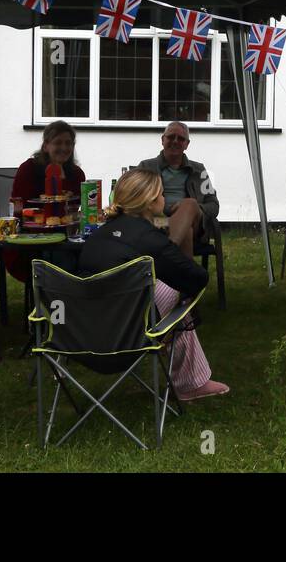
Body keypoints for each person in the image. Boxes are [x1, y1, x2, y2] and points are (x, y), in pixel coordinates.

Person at [78, 168, 228, 401]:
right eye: (161, 194)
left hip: (80, 337)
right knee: (175, 291)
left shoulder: (97, 235)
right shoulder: (149, 240)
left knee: (154, 286)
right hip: (128, 338)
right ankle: (191, 383)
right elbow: (198, 278)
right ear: (149, 203)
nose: (164, 198)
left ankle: (192, 379)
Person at [5, 120, 87, 282]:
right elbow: (20, 207)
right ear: (45, 146)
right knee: (61, 258)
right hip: (30, 239)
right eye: (58, 142)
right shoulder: (28, 169)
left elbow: (73, 209)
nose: (64, 148)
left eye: (68, 143)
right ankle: (60, 297)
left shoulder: (77, 174)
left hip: (67, 236)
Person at [137, 122, 219, 260]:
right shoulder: (146, 167)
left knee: (190, 204)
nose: (175, 141)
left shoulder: (199, 170)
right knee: (185, 229)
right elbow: (134, 200)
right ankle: (185, 278)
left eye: (180, 139)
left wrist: (188, 209)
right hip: (158, 222)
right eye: (171, 137)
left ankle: (167, 253)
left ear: (187, 144)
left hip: (195, 224)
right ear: (163, 140)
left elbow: (214, 205)